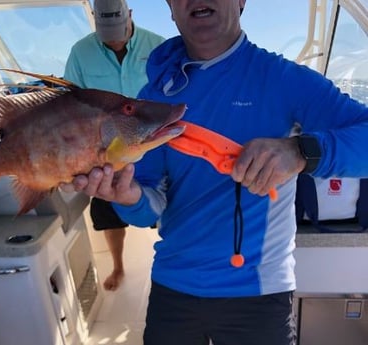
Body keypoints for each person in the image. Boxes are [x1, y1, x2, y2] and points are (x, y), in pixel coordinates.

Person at [61, 0, 368, 344]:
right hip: (172, 288)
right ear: (171, 8)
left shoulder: (284, 80)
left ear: (241, 2)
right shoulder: (156, 96)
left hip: (257, 294)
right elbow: (150, 202)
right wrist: (128, 198)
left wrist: (301, 151)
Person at [63, 0, 164, 291]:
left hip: (153, 147)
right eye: (107, 34)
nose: (115, 40)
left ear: (130, 15)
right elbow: (69, 101)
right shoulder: (80, 52)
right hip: (105, 151)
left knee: (165, 209)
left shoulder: (158, 46)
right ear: (95, 21)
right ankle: (119, 266)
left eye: (120, 31)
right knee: (108, 214)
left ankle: (161, 265)